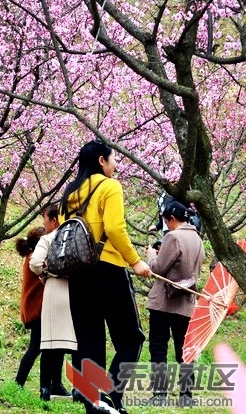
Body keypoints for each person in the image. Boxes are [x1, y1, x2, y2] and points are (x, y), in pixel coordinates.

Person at [63, 140, 151, 414]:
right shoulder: (110, 186)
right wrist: (135, 261)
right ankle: (114, 392)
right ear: (102, 161)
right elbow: (114, 227)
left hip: (78, 273)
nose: (116, 165)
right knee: (131, 337)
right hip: (108, 268)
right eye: (114, 160)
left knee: (89, 342)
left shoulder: (70, 192)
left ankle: (94, 405)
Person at [145, 201, 204, 406]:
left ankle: (160, 393)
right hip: (186, 302)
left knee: (159, 346)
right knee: (184, 349)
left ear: (172, 218)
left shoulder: (173, 236)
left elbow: (158, 269)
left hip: (164, 302)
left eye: (165, 221)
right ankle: (186, 395)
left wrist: (152, 256)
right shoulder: (198, 238)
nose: (165, 225)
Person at [29, 204, 74, 401]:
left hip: (54, 290)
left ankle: (45, 389)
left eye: (45, 219)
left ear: (54, 220)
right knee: (71, 343)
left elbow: (35, 263)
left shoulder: (47, 239)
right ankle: (79, 390)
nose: (43, 224)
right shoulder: (74, 238)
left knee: (48, 343)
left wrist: (46, 273)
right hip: (74, 292)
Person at [14, 226, 46, 393]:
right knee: (36, 348)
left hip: (34, 308)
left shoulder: (30, 257)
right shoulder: (35, 259)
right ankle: (18, 383)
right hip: (37, 309)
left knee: (38, 348)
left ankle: (19, 383)